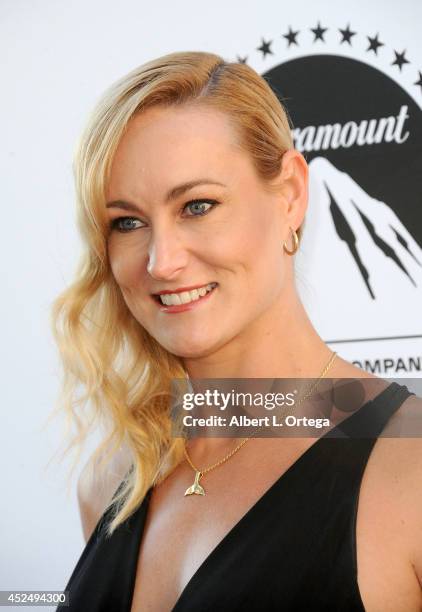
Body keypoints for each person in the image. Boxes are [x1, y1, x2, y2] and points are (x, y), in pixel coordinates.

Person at [51, 51, 422, 611]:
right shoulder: (112, 480)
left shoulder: (411, 465)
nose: (162, 260)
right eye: (127, 222)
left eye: (198, 206)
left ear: (291, 195)